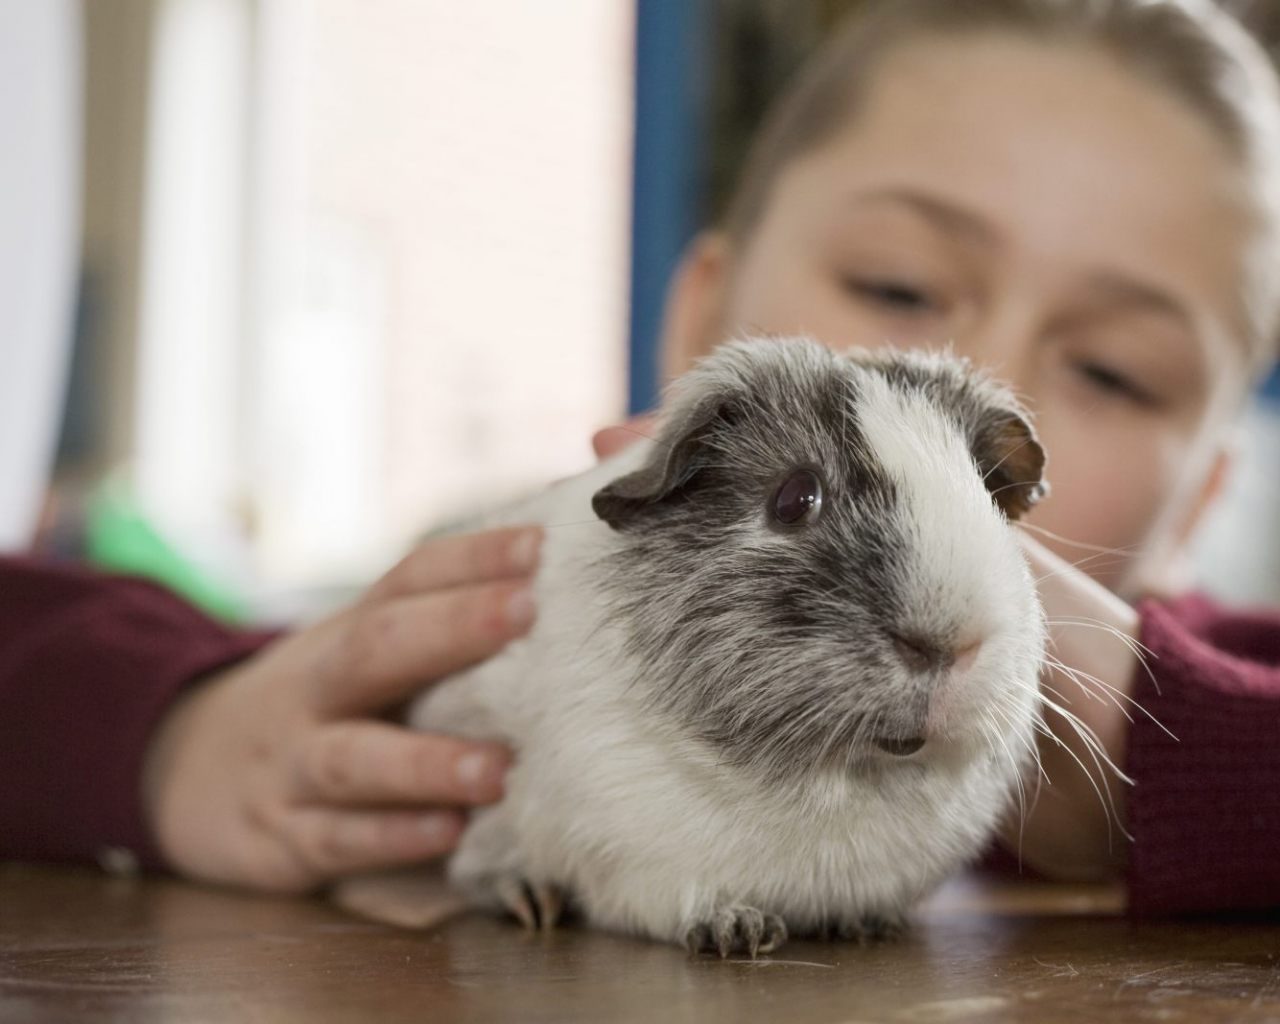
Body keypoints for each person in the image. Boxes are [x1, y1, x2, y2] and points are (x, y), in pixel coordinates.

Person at [3, 0, 1278, 917]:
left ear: (1206, 493)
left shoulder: (1206, 659)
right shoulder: (499, 589)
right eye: (895, 284)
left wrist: (1156, 742)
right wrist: (180, 729)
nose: (983, 365)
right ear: (699, 330)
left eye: (1110, 371)